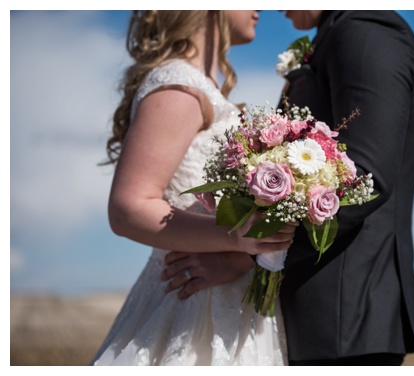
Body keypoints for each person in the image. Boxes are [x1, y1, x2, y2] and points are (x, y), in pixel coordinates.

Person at [163, 10, 414, 365]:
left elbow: (364, 178)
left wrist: (247, 257)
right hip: (316, 321)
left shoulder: (366, 30)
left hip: (343, 319)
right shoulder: (335, 34)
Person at [92, 10, 296, 365]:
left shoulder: (201, 87)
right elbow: (128, 207)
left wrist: (242, 256)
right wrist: (234, 237)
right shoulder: (178, 86)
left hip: (228, 299)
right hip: (192, 304)